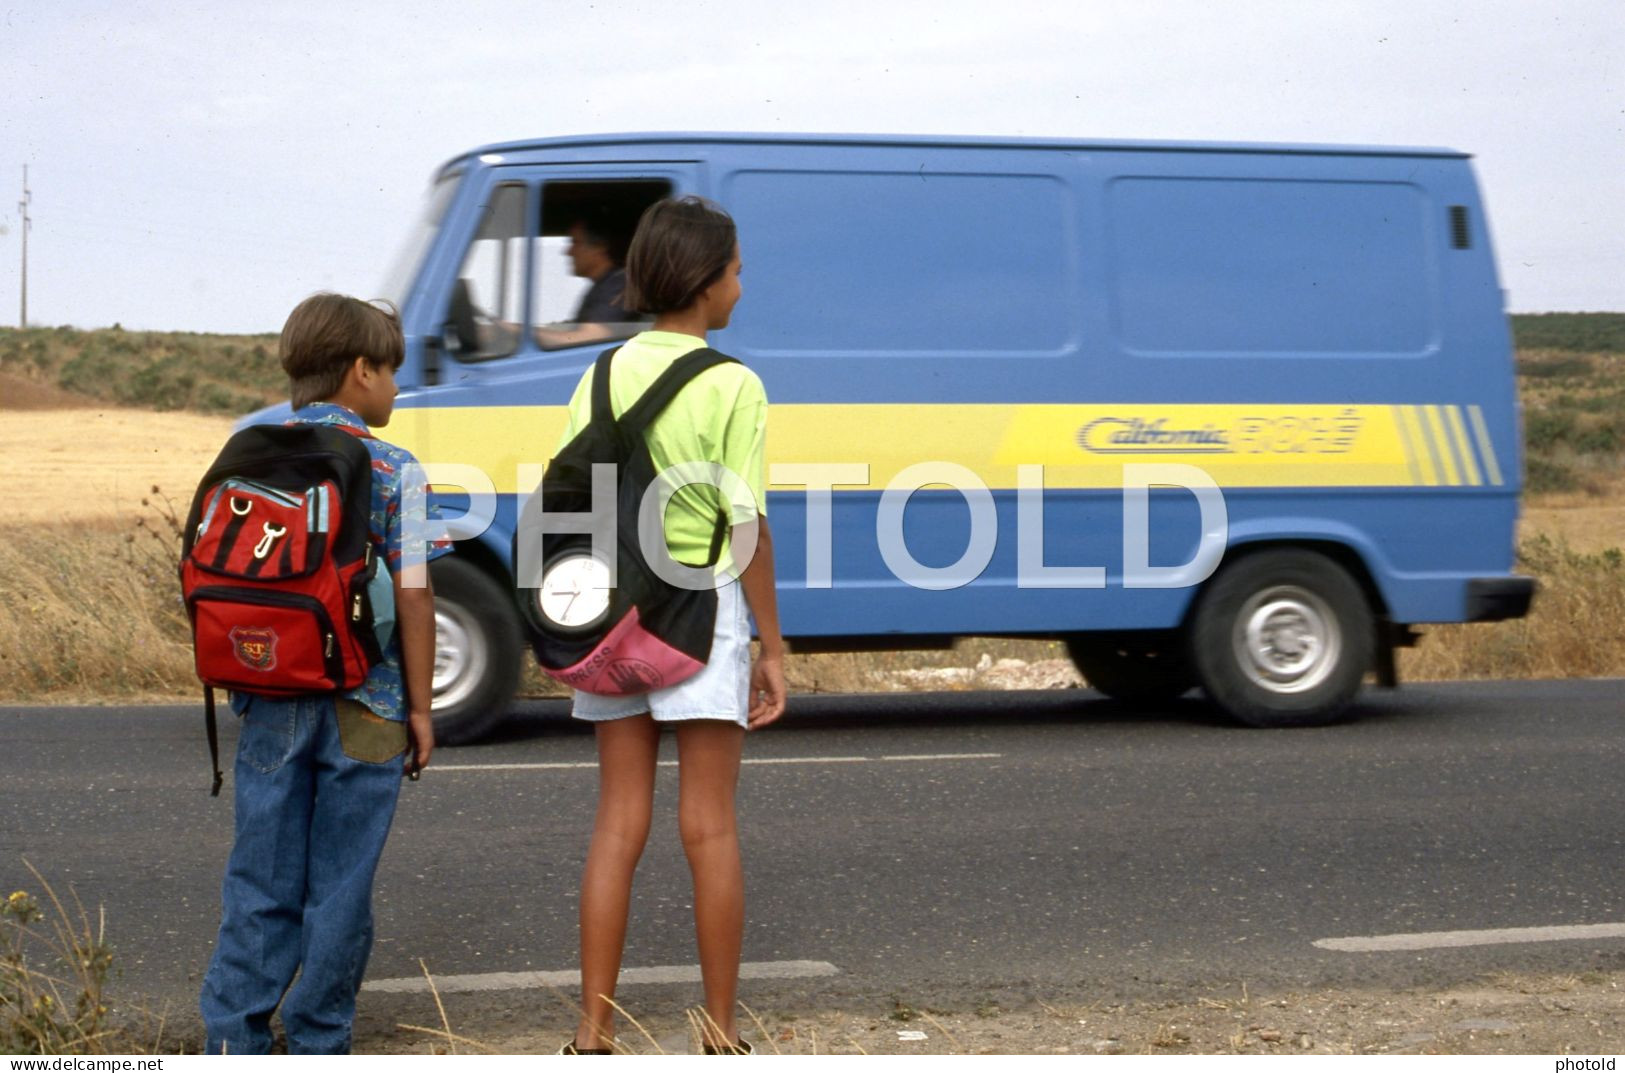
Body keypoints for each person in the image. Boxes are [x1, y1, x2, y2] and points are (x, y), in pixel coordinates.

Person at [557, 197, 787, 1055]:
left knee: (618, 821)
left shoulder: (598, 375)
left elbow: (570, 499)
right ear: (704, 279)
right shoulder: (733, 383)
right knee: (709, 825)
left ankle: (591, 1032)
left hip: (612, 616)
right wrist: (772, 641)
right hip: (699, 612)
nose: (740, 282)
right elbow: (747, 523)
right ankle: (720, 1034)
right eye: (734, 267)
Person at [198, 293, 447, 1054]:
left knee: (259, 876)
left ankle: (233, 1039)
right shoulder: (394, 466)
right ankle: (316, 1038)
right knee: (339, 884)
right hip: (367, 705)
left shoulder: (249, 443)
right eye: (393, 372)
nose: (398, 388)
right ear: (361, 370)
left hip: (268, 691)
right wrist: (422, 708)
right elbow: (414, 594)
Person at [533, 218, 643, 349]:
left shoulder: (618, 284)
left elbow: (586, 339)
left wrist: (521, 333)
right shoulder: (604, 284)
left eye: (576, 243)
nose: (568, 252)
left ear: (599, 247)